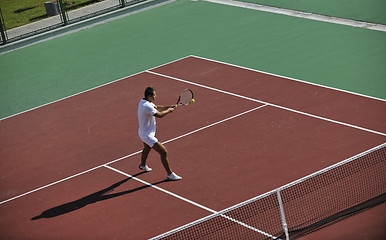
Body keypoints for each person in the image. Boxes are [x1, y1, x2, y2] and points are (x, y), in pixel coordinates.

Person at [137, 87, 182, 181]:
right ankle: (170, 174)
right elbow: (159, 115)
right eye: (154, 95)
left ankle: (142, 165)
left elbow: (157, 107)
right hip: (147, 135)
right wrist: (169, 111)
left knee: (146, 148)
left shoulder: (143, 101)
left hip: (143, 132)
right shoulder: (147, 106)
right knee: (163, 151)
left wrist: (169, 106)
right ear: (149, 96)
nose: (155, 96)